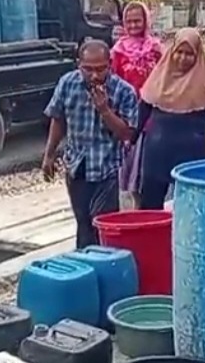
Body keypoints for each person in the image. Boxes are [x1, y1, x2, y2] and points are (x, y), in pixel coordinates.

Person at [42, 40, 139, 247]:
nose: (94, 76)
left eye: (100, 69)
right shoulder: (67, 83)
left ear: (110, 65)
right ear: (79, 64)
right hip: (77, 167)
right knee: (83, 223)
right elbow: (58, 118)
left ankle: (104, 264)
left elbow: (127, 134)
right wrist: (49, 154)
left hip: (108, 169)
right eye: (88, 69)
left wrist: (105, 110)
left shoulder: (124, 91)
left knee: (102, 224)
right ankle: (85, 267)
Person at [135, 28, 205, 209]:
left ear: (198, 55)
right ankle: (153, 237)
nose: (183, 58)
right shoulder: (159, 77)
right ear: (172, 51)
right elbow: (143, 110)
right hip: (158, 150)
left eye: (189, 54)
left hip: (192, 152)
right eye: (179, 52)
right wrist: (129, 138)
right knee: (151, 203)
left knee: (191, 204)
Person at [112, 1, 164, 208]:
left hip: (154, 116)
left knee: (150, 170)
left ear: (146, 21)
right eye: (129, 21)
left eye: (137, 21)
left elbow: (165, 76)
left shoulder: (156, 48)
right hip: (129, 116)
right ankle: (136, 207)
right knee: (131, 169)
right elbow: (113, 82)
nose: (133, 25)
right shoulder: (117, 51)